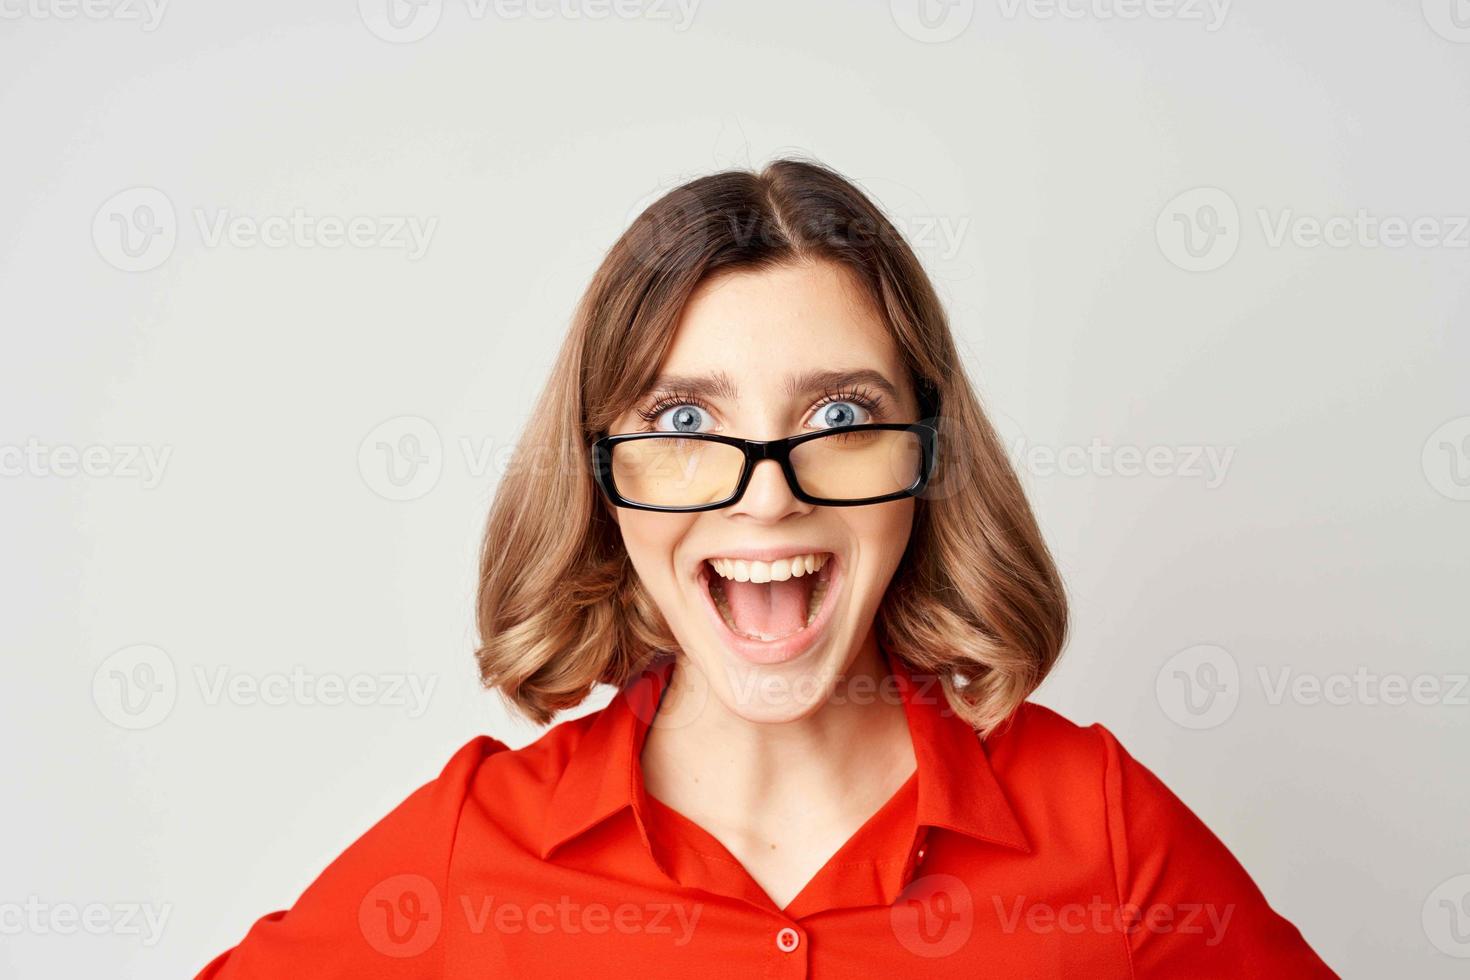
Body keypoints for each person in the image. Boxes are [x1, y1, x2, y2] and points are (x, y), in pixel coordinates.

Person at [195, 158, 1338, 977]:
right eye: (685, 418)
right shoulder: (477, 847)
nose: (766, 489)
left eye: (842, 411)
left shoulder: (1099, 826)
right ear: (601, 476)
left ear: (928, 458)